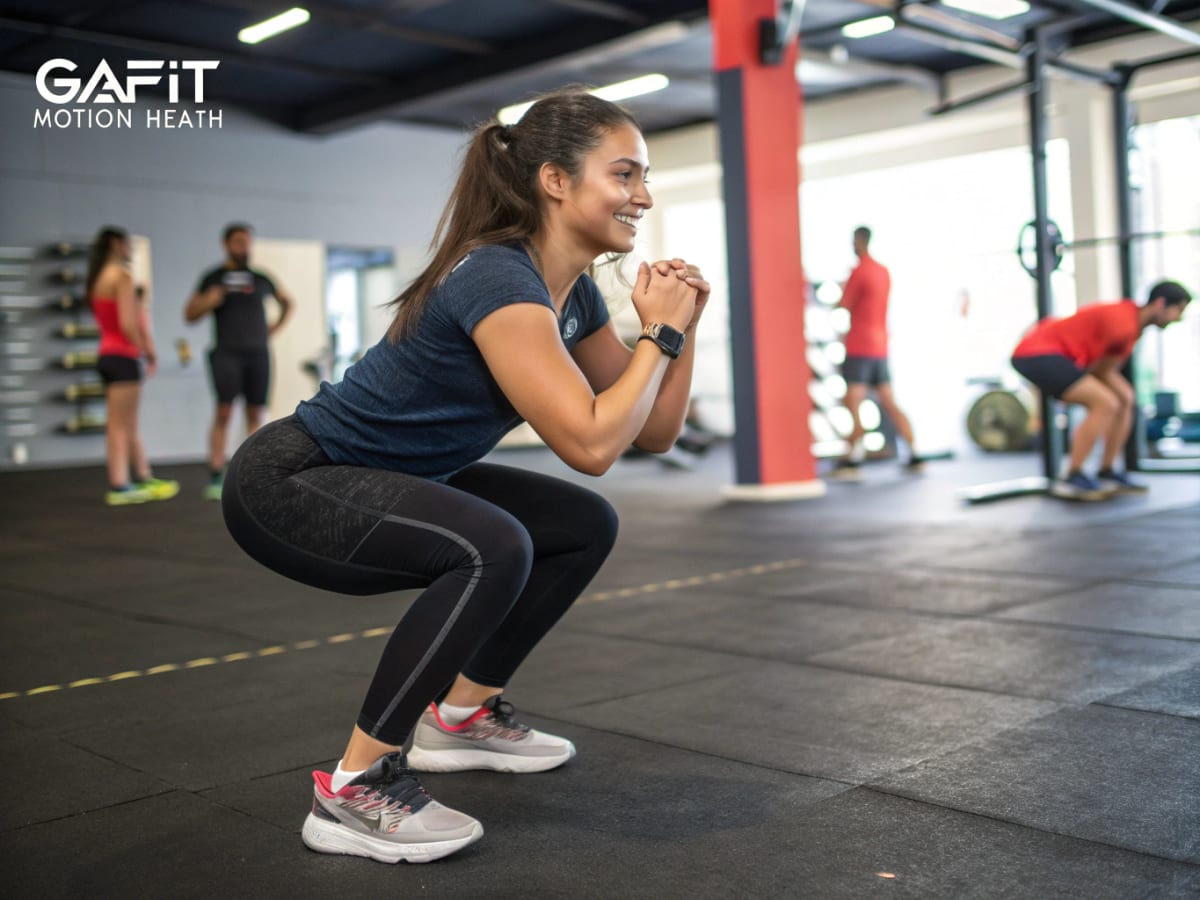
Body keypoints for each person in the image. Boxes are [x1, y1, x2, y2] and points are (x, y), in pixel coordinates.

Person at [221, 90, 709, 864]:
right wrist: (659, 330)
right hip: (295, 478)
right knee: (494, 544)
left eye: (643, 178)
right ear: (554, 178)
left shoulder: (570, 292)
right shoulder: (496, 278)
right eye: (624, 174)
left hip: (389, 474)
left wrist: (677, 333)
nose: (642, 196)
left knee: (582, 525)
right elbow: (588, 442)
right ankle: (354, 785)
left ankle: (460, 716)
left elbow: (649, 430)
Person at [1011, 280, 1191, 500]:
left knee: (1125, 397)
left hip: (1056, 356)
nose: (1179, 318)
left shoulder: (1133, 327)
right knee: (1104, 402)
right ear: (1160, 304)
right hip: (1037, 353)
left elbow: (1106, 370)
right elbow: (1093, 368)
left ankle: (1107, 470)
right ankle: (1073, 474)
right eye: (1178, 310)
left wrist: (1121, 394)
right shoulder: (1123, 323)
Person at [184, 223, 294, 500]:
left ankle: (251, 472)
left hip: (258, 353)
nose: (244, 247)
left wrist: (274, 328)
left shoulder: (260, 278)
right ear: (226, 245)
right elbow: (190, 313)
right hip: (226, 353)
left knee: (256, 413)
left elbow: (287, 302)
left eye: (247, 242)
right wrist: (211, 300)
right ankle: (215, 473)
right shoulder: (213, 278)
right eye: (238, 242)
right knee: (224, 412)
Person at [86, 226, 179, 506]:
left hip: (107, 355)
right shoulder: (122, 277)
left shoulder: (98, 278)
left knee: (127, 422)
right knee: (119, 424)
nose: (130, 250)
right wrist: (148, 351)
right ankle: (119, 485)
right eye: (127, 245)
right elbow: (128, 324)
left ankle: (142, 475)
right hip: (123, 357)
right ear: (116, 244)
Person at [829, 226, 925, 480]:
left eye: (853, 242)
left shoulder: (859, 271)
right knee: (888, 402)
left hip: (860, 345)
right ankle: (915, 453)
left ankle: (852, 460)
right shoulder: (883, 272)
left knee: (853, 402)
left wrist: (839, 289)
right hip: (880, 346)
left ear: (859, 241)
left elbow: (843, 303)